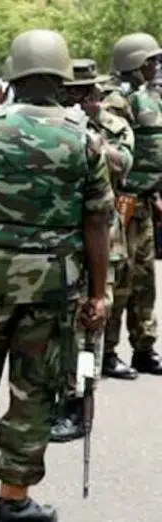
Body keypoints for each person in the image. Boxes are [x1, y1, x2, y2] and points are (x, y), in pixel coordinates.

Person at [0, 29, 112, 522]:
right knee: (33, 389)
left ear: (13, 75)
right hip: (54, 284)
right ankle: (13, 496)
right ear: (60, 77)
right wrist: (99, 293)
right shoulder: (84, 139)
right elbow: (97, 223)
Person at [50, 58, 134, 442]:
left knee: (89, 329)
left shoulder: (112, 126)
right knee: (54, 328)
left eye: (85, 93)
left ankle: (78, 403)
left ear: (96, 94)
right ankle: (54, 395)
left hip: (100, 245)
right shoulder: (53, 125)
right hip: (59, 242)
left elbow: (124, 164)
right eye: (70, 93)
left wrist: (93, 140)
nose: (78, 100)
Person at [101, 33, 162, 378]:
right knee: (118, 281)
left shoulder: (151, 97)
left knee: (144, 280)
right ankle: (107, 352)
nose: (155, 66)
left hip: (144, 202)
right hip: (121, 205)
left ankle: (144, 347)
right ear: (135, 64)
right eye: (150, 61)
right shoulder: (116, 101)